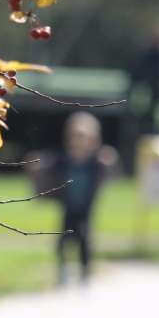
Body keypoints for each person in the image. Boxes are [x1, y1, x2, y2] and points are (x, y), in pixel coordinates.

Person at [27, 112, 118, 285]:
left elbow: (111, 170)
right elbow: (46, 163)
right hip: (68, 203)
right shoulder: (63, 158)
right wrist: (36, 165)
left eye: (83, 136)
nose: (79, 141)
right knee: (62, 238)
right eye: (75, 136)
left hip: (86, 205)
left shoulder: (97, 161)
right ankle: (62, 271)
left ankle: (85, 272)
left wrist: (110, 161)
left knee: (85, 239)